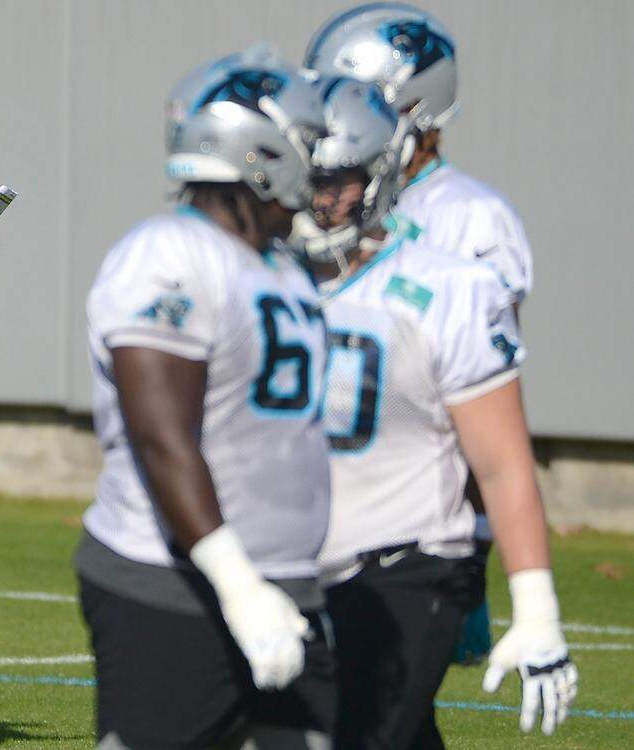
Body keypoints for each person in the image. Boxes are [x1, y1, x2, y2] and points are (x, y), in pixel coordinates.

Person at [289, 75, 577, 748]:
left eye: (341, 180)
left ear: (380, 175)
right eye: (311, 179)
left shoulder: (450, 286)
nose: (323, 200)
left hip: (409, 562)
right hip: (298, 561)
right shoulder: (264, 279)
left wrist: (536, 611)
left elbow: (503, 464)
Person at [77, 47, 335, 750]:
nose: (315, 163)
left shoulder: (279, 262)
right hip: (178, 586)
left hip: (283, 583)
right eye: (305, 144)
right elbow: (164, 437)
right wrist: (238, 587)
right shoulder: (168, 254)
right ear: (259, 152)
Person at [303, 1, 536, 667]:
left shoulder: (471, 218)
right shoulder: (320, 202)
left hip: (418, 522)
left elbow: (484, 387)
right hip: (319, 504)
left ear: (413, 107)